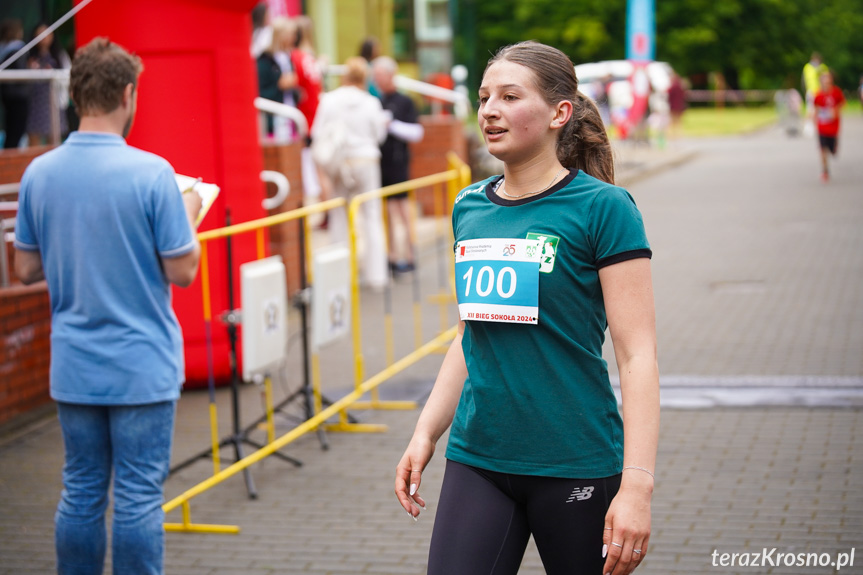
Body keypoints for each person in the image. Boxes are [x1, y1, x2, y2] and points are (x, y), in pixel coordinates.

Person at [394, 41, 659, 575]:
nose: (489, 109)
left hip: (575, 460)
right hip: (479, 458)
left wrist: (637, 484)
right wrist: (425, 432)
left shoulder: (604, 208)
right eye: (485, 96)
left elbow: (638, 356)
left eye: (510, 96)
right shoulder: (469, 206)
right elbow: (472, 334)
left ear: (560, 113)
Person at [13, 37, 202, 574]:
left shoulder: (38, 174)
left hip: (74, 364)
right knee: (139, 497)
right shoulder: (152, 174)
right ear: (128, 93)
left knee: (81, 491)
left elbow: (26, 269)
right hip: (141, 364)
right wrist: (189, 213)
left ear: (75, 94)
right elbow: (183, 270)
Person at [311, 57, 388, 289]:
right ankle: (377, 275)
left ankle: (339, 277)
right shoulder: (371, 102)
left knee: (339, 217)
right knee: (372, 216)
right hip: (366, 160)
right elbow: (379, 136)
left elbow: (317, 131)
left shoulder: (329, 100)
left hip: (340, 162)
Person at [371, 56, 424, 274]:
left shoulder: (405, 102)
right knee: (386, 212)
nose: (376, 79)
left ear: (390, 75)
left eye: (379, 75)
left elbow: (417, 132)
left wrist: (391, 125)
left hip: (399, 163)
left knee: (403, 210)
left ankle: (410, 254)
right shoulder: (375, 102)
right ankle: (392, 255)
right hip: (380, 165)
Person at [26, 22, 71, 145]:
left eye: (47, 34)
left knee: (54, 137)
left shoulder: (59, 55)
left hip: (53, 101)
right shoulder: (29, 56)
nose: (44, 37)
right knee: (34, 137)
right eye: (40, 34)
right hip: (35, 101)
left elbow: (67, 75)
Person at [0, 18, 29, 149]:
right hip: (19, 96)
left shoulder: (3, 48)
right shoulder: (18, 48)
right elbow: (22, 71)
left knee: (10, 129)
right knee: (16, 131)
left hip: (6, 95)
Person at [812, 70, 845, 182]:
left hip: (833, 127)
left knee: (832, 151)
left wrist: (835, 111)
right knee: (822, 150)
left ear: (831, 79)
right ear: (820, 80)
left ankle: (834, 146)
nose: (826, 80)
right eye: (823, 78)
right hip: (822, 127)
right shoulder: (818, 94)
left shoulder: (836, 92)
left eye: (828, 77)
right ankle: (825, 171)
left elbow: (842, 103)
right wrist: (813, 122)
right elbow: (815, 109)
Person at [801, 52, 828, 136]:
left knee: (821, 111)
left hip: (821, 92)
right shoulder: (808, 67)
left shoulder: (822, 67)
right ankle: (807, 126)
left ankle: (819, 127)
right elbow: (804, 80)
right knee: (811, 109)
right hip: (812, 91)